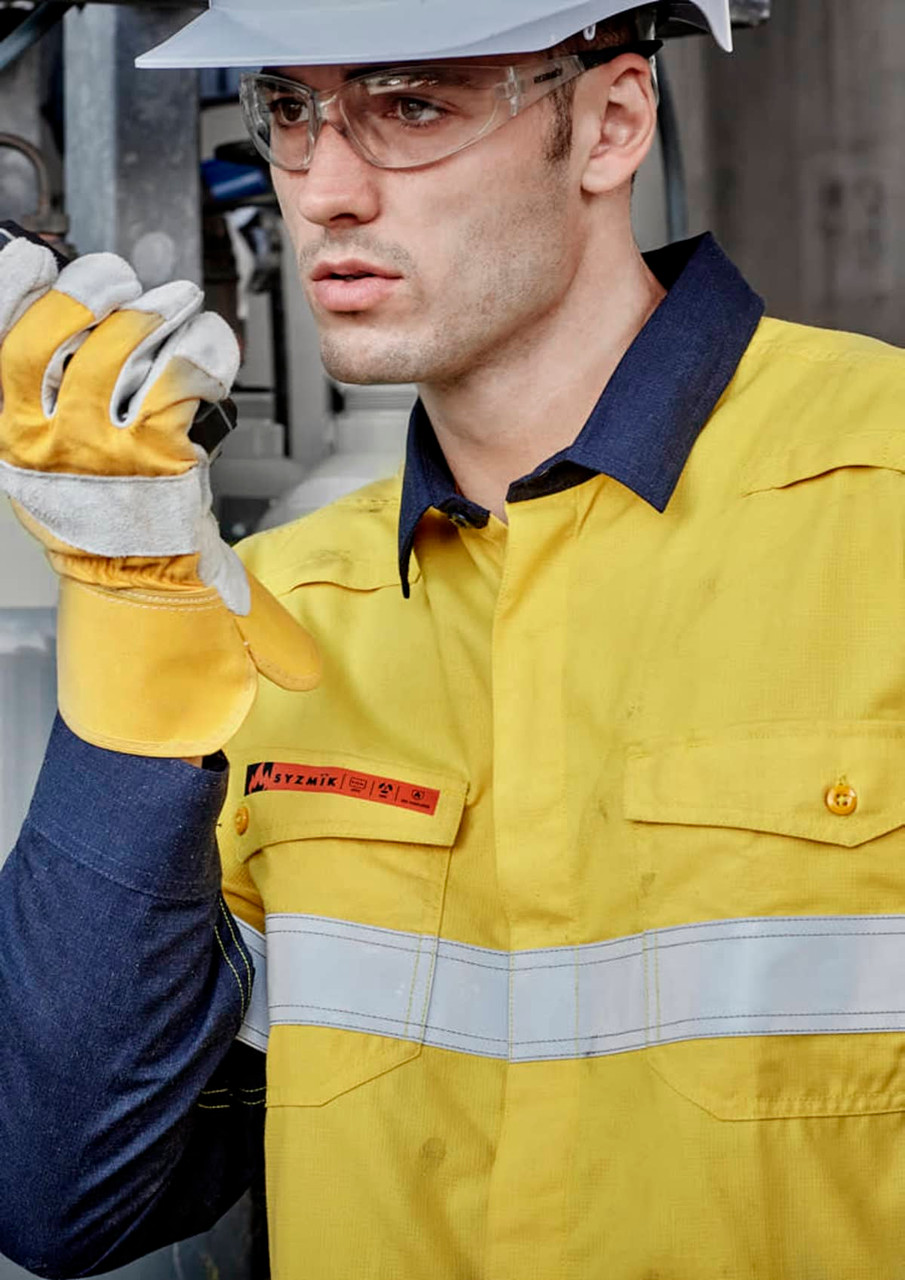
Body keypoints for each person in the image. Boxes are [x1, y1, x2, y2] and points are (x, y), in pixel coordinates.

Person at [2, 0, 905, 1275]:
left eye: (410, 105)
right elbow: (60, 1188)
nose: (326, 191)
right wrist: (129, 646)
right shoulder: (271, 609)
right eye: (292, 112)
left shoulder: (883, 508)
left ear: (609, 123)